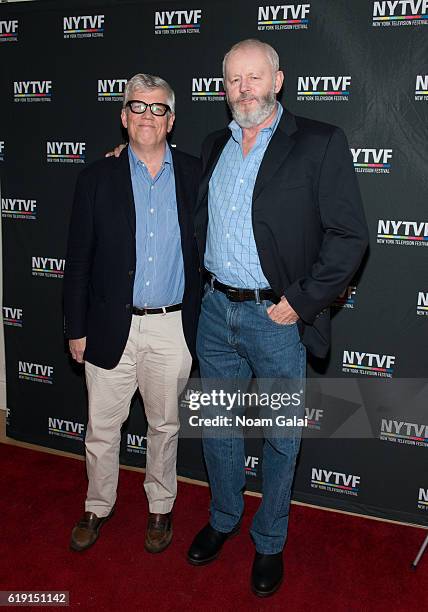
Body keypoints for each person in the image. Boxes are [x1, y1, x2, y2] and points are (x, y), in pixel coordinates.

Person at [186, 39, 369, 597]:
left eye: (254, 77)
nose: (244, 88)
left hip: (276, 317)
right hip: (215, 311)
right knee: (218, 427)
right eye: (233, 80)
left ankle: (269, 541)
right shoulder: (214, 143)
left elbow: (349, 236)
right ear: (224, 88)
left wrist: (301, 300)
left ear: (278, 80)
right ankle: (223, 519)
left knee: (282, 435)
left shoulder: (319, 142)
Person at [64, 73, 200, 554]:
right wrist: (75, 329)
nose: (147, 115)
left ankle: (160, 507)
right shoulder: (96, 177)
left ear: (171, 119)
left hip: (172, 327)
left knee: (165, 426)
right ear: (123, 117)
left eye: (158, 108)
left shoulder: (195, 174)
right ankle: (97, 505)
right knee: (102, 428)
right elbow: (78, 259)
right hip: (107, 325)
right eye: (137, 107)